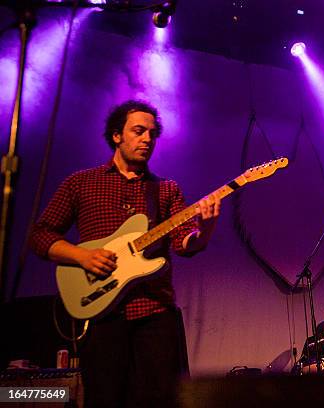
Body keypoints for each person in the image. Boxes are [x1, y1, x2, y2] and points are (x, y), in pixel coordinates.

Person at [30, 100, 221, 407]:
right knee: (105, 399)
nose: (148, 138)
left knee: (160, 400)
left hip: (155, 314)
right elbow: (40, 235)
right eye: (139, 131)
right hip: (102, 313)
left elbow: (184, 245)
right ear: (117, 135)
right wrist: (82, 257)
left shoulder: (165, 189)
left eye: (152, 133)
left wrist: (207, 228)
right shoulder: (81, 183)